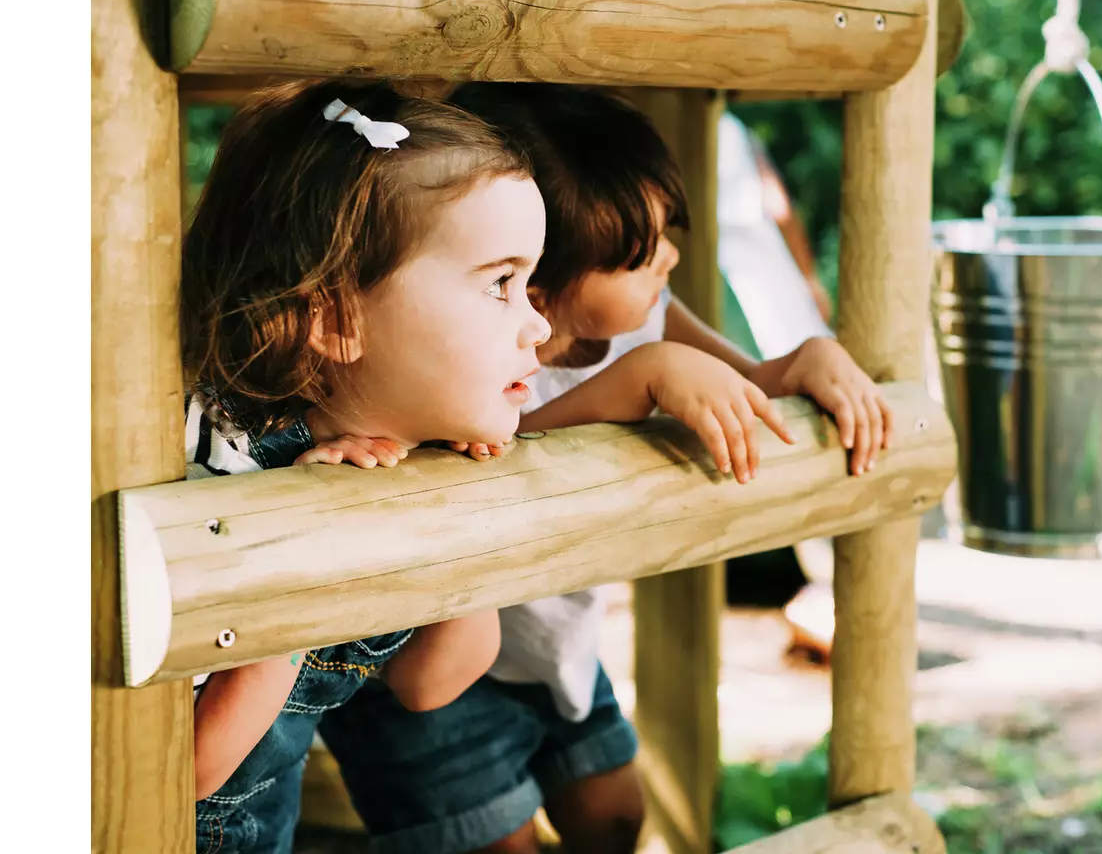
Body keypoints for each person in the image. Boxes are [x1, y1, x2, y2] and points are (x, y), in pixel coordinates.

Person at [315, 82, 894, 854]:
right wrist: (637, 379)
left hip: (558, 648)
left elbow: (753, 385)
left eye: (665, 232)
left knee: (617, 817)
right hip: (426, 678)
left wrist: (810, 360)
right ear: (540, 287)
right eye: (639, 253)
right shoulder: (465, 362)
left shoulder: (644, 318)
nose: (671, 259)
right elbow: (487, 453)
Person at [181, 78, 550, 854]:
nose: (538, 322)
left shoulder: (407, 450)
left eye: (531, 283)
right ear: (337, 319)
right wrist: (307, 566)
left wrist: (453, 515)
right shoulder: (220, 475)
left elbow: (428, 684)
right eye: (500, 284)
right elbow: (187, 768)